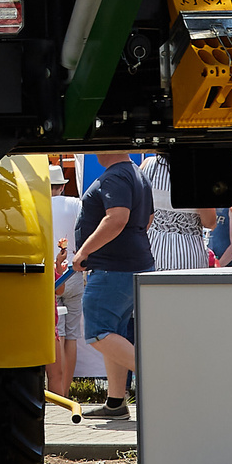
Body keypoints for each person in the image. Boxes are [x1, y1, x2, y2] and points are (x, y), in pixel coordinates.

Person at [69, 151, 155, 420]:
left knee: (98, 332)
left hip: (112, 268)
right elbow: (148, 219)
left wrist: (84, 251)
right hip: (133, 264)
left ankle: (162, 377)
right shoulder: (137, 174)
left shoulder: (115, 176)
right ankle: (116, 403)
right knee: (113, 332)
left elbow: (116, 218)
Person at [48, 160, 81, 399]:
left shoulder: (37, 206)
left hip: (50, 275)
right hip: (74, 271)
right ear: (61, 186)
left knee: (56, 332)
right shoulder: (76, 204)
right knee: (71, 335)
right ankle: (67, 391)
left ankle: (57, 391)